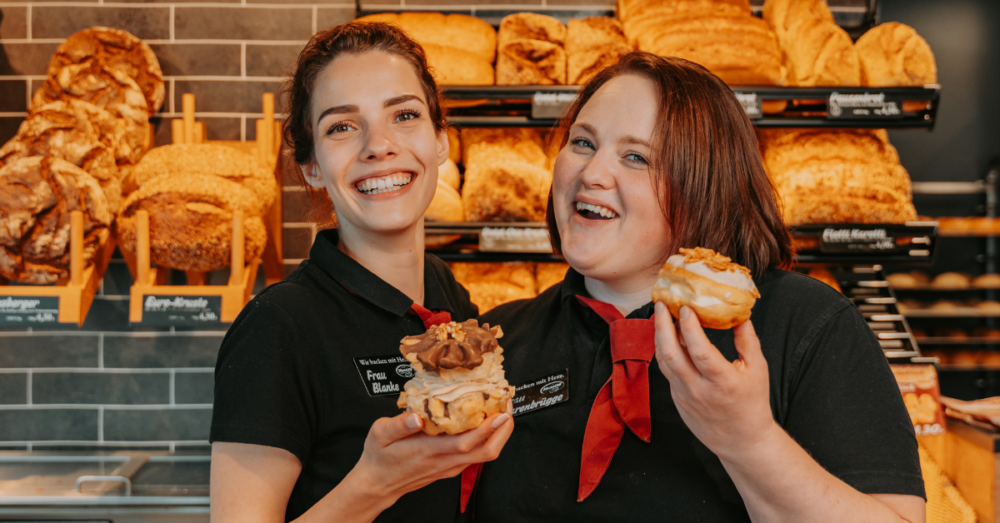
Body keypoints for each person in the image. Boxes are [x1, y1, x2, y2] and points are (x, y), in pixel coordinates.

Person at [472, 52, 925, 522]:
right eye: (583, 143)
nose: (590, 174)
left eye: (635, 157)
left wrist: (750, 441)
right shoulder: (502, 340)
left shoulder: (805, 324)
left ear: (707, 184)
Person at [209, 22, 513, 523]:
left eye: (405, 115)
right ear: (310, 167)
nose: (379, 145)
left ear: (441, 141)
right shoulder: (276, 328)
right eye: (341, 127)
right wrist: (374, 485)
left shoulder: (447, 294)